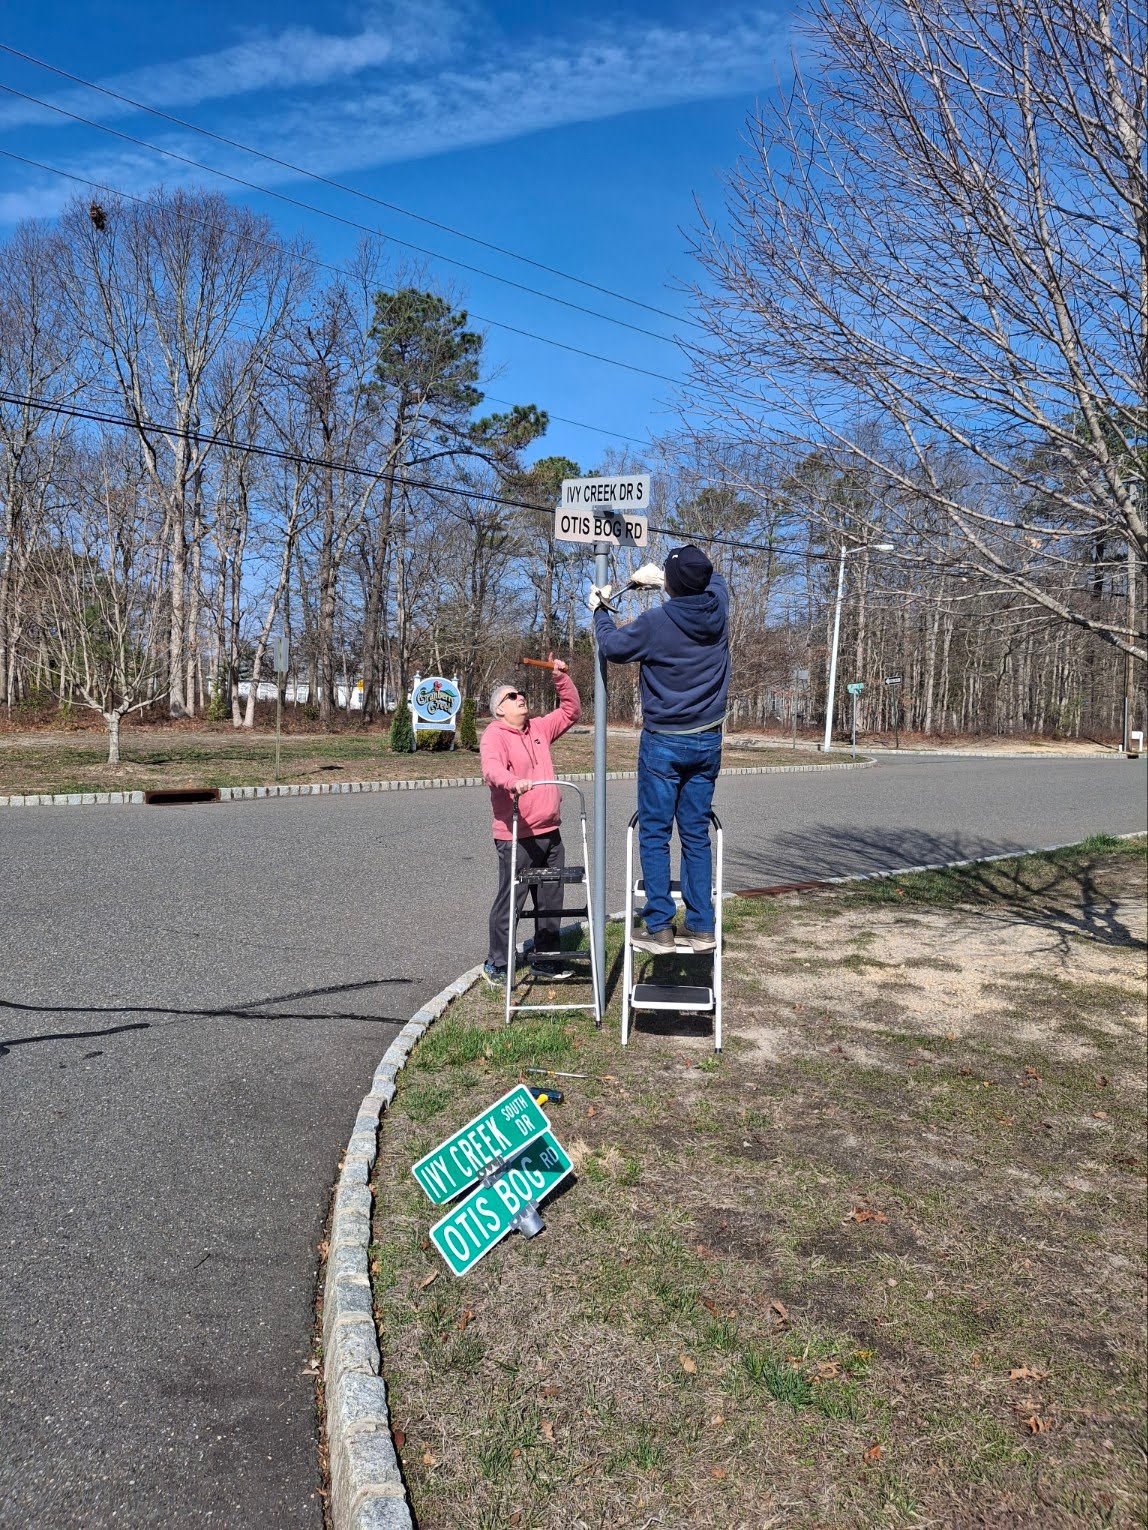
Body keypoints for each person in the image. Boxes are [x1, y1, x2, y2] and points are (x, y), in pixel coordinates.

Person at [589, 545, 729, 953]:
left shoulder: (656, 622)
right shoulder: (718, 609)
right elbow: (714, 578)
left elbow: (613, 647)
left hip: (664, 741)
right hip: (707, 739)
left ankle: (660, 927)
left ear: (671, 583)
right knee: (695, 834)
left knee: (654, 833)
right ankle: (701, 927)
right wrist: (667, 579)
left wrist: (600, 611)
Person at [479, 657, 582, 986]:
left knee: (550, 899)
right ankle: (497, 963)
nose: (519, 697)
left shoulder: (538, 728)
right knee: (512, 899)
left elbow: (571, 712)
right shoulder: (494, 735)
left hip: (550, 831)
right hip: (516, 834)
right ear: (499, 710)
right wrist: (512, 782)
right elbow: (491, 769)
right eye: (511, 696)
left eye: (520, 693)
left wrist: (561, 678)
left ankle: (546, 959)